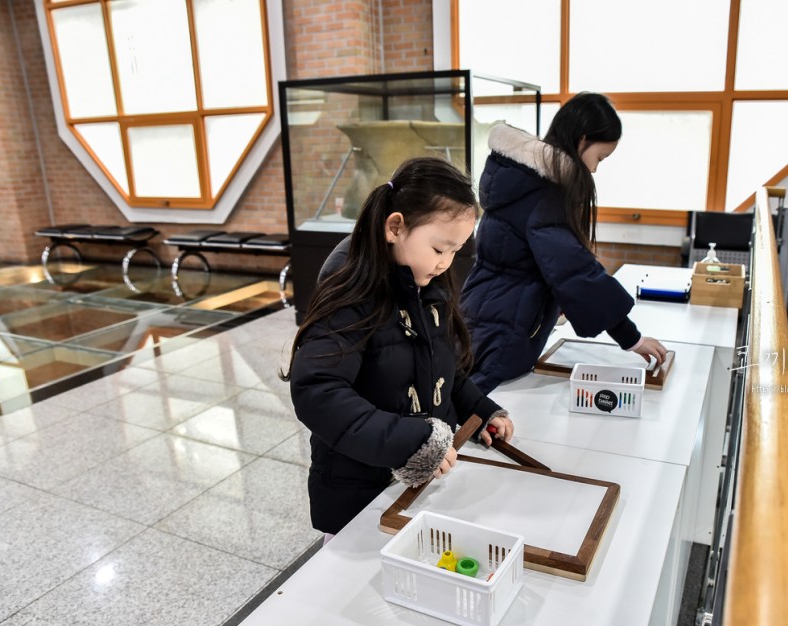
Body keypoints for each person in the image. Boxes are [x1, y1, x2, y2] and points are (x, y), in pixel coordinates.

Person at [282, 156, 515, 536]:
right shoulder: (351, 288)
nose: (446, 263)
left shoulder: (425, 283)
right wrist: (412, 443)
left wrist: (480, 411)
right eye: (440, 249)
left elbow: (444, 368)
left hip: (413, 486)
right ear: (395, 227)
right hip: (357, 490)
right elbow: (318, 391)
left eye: (456, 251)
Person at [461, 92, 667, 394]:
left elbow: (538, 261)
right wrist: (631, 337)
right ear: (582, 140)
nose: (595, 169)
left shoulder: (520, 179)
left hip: (483, 311)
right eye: (600, 157)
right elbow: (575, 271)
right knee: (474, 413)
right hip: (506, 328)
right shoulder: (545, 192)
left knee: (465, 399)